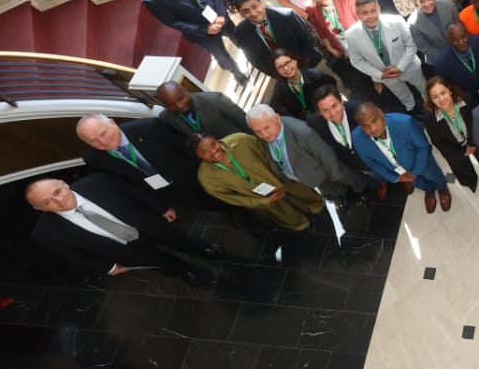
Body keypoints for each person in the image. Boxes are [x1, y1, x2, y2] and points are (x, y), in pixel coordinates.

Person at [26, 174, 221, 285]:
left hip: (146, 224)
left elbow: (133, 193)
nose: (59, 200)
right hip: (122, 248)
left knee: (177, 238)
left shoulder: (96, 181)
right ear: (40, 209)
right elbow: (72, 256)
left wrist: (161, 208)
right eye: (47, 202)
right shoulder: (45, 233)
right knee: (158, 262)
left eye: (57, 191)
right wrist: (107, 268)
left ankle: (201, 248)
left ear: (64, 184)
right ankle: (184, 271)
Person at [137, 0, 247, 83]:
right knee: (222, 56)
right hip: (202, 33)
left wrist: (222, 14)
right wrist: (205, 28)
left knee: (240, 39)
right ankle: (236, 72)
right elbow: (173, 22)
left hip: (220, 17)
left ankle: (253, 56)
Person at [191, 131, 325, 230]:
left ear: (216, 140)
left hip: (278, 179)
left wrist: (279, 175)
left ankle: (316, 205)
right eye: (204, 152)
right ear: (198, 156)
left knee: (302, 194)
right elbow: (234, 199)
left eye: (213, 144)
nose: (214, 151)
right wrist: (264, 201)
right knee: (284, 214)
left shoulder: (241, 140)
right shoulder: (207, 178)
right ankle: (300, 224)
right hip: (260, 199)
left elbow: (266, 153)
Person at [76, 114, 204, 208]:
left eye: (103, 133)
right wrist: (160, 207)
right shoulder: (93, 158)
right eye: (93, 141)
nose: (103, 142)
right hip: (169, 194)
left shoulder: (150, 126)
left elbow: (187, 148)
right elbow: (127, 184)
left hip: (197, 177)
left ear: (112, 122)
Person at [246, 104, 367, 198]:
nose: (264, 135)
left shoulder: (303, 133)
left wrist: (336, 176)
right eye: (258, 131)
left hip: (327, 174)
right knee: (336, 192)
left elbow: (327, 155)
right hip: (311, 177)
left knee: (354, 185)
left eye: (267, 127)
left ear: (277, 118)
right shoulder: (265, 133)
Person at [352, 103, 452, 213]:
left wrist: (416, 171)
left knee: (433, 174)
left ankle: (442, 188)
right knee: (417, 182)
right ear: (360, 126)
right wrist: (395, 178)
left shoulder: (405, 122)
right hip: (401, 173)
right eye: (365, 126)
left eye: (374, 120)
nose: (373, 128)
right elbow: (371, 163)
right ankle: (428, 190)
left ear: (381, 113)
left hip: (421, 162)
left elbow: (423, 146)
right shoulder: (357, 139)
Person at [343, 0, 427, 111]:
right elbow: (356, 60)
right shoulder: (351, 35)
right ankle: (412, 109)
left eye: (373, 11)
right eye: (365, 13)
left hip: (409, 67)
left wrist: (400, 67)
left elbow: (411, 44)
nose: (370, 16)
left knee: (423, 88)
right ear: (357, 15)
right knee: (403, 95)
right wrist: (379, 74)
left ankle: (431, 105)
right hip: (385, 75)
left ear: (379, 9)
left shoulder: (396, 21)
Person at [233, 0, 321, 78]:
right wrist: (281, 75)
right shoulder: (241, 33)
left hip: (310, 65)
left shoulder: (287, 15)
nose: (253, 13)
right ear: (241, 14)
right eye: (246, 11)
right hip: (284, 77)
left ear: (261, 2)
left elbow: (308, 41)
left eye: (255, 7)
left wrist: (300, 69)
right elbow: (256, 60)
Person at [420, 76, 479, 192]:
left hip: (474, 138)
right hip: (453, 147)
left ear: (450, 90)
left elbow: (477, 122)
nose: (441, 99)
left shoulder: (466, 99)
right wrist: (461, 152)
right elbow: (438, 142)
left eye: (443, 93)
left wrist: (473, 142)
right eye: (435, 97)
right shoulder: (430, 118)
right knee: (460, 166)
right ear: (431, 100)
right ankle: (469, 182)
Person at [430, 22, 479, 108]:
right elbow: (451, 89)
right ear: (448, 40)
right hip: (472, 104)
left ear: (468, 33)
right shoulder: (441, 64)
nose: (461, 42)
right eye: (455, 40)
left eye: (463, 37)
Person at [154, 81, 250, 140]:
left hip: (241, 145)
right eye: (171, 105)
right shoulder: (166, 118)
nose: (179, 106)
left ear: (186, 91)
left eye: (180, 99)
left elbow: (246, 123)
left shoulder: (215, 99)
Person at [267, 50, 336, 119]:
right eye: (280, 67)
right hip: (304, 122)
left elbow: (332, 90)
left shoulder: (315, 76)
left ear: (295, 61)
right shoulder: (280, 87)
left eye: (287, 63)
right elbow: (279, 109)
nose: (286, 68)